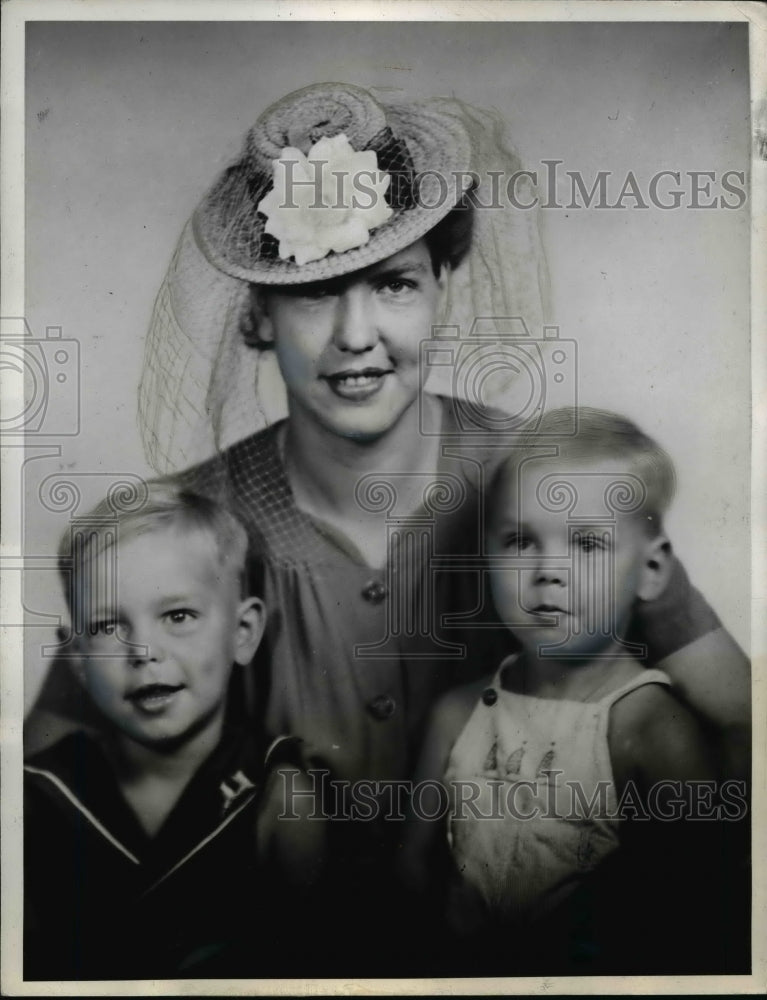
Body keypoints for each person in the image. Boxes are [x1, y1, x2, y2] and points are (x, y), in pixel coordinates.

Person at [399, 408, 749, 974]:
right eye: (520, 541)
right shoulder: (456, 713)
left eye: (587, 543)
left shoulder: (648, 728)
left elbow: (695, 915)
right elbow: (413, 874)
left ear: (652, 570)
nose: (549, 571)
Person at [24, 483, 322, 980]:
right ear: (75, 659)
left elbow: (317, 969)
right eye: (105, 628)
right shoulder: (39, 794)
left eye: (177, 615)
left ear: (242, 633)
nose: (143, 650)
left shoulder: (277, 792)